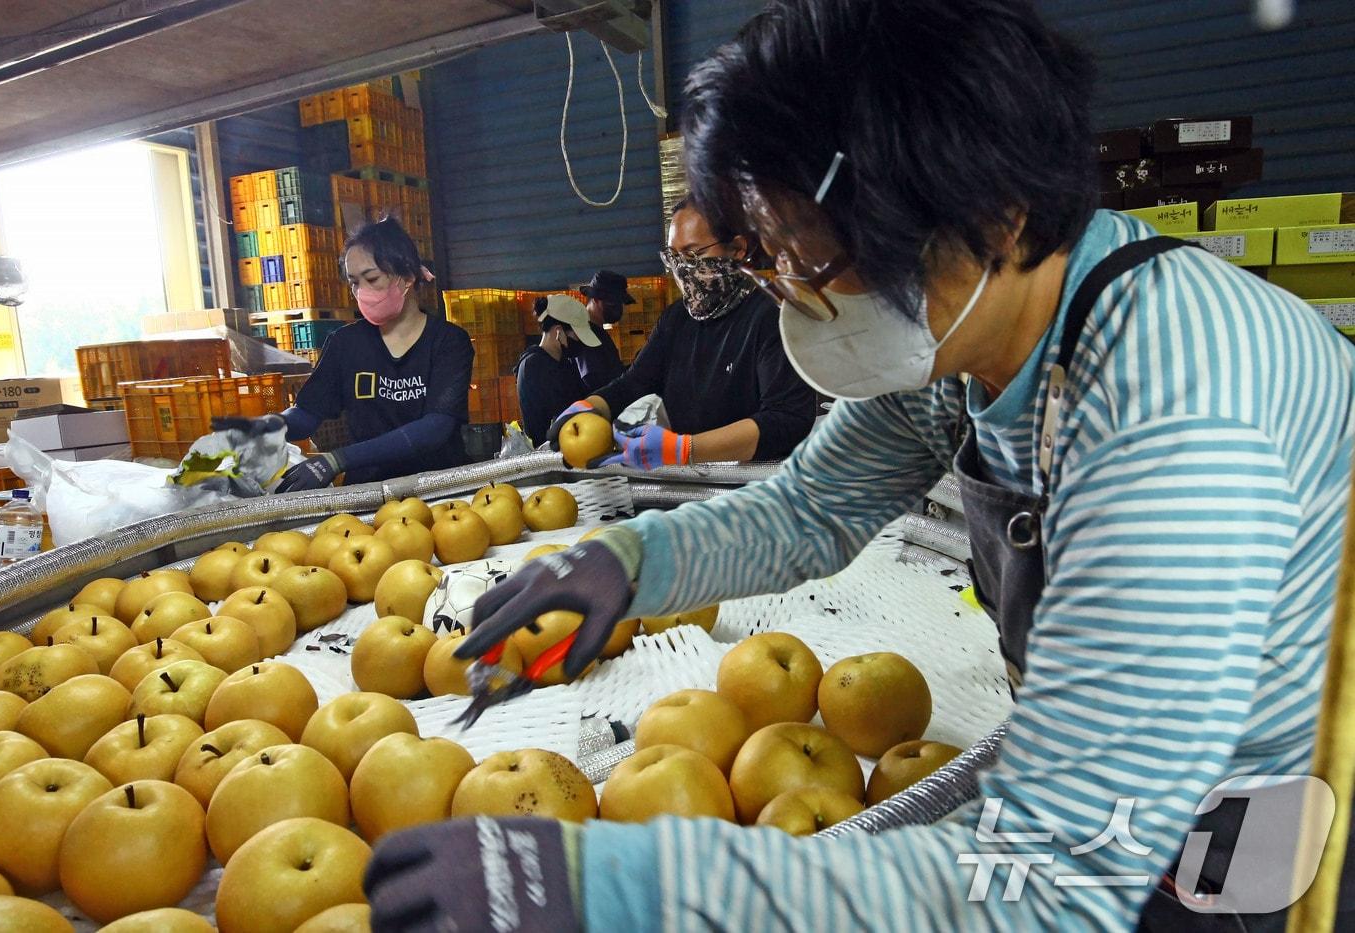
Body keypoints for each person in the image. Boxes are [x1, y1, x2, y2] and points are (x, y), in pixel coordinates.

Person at [363, 1, 1355, 930]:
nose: (796, 300)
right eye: (773, 261)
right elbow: (807, 510)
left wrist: (629, 891)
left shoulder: (1170, 416)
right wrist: (625, 565)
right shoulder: (967, 336)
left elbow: (1051, 880)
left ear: (990, 207)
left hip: (1252, 807)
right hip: (1117, 774)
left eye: (814, 258)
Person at [548, 197, 818, 467]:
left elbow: (787, 419)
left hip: (756, 486)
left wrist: (685, 448)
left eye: (694, 255)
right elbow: (635, 382)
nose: (682, 270)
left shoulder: (770, 317)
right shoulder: (676, 320)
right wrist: (593, 406)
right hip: (693, 483)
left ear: (737, 248)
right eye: (674, 257)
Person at [274, 217, 472, 491]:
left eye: (371, 279)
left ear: (407, 277)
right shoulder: (345, 344)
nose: (361, 292)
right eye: (354, 283)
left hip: (438, 492)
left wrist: (337, 460)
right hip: (369, 495)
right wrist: (263, 428)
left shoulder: (448, 342)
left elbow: (435, 428)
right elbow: (307, 415)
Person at [515, 294, 621, 446]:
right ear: (558, 331)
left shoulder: (563, 362)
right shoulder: (534, 366)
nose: (579, 342)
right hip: (550, 456)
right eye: (577, 336)